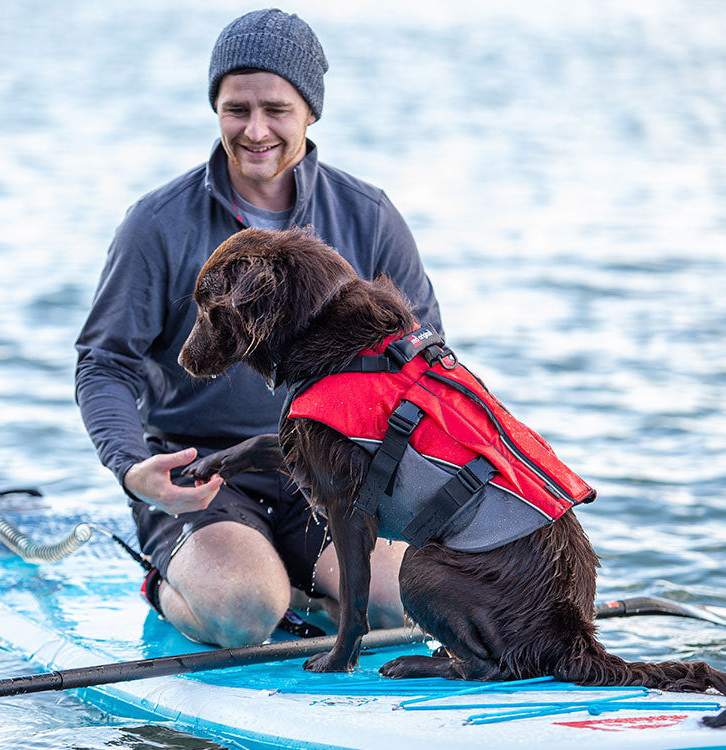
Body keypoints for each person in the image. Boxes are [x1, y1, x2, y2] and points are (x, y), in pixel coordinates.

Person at [75, 8, 442, 648]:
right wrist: (133, 468)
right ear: (215, 109)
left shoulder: (369, 217)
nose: (255, 129)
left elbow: (423, 360)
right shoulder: (157, 223)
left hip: (333, 467)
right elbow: (104, 363)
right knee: (243, 610)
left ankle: (304, 600)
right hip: (204, 472)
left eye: (276, 108)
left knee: (407, 602)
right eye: (235, 108)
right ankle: (175, 585)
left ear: (310, 112)